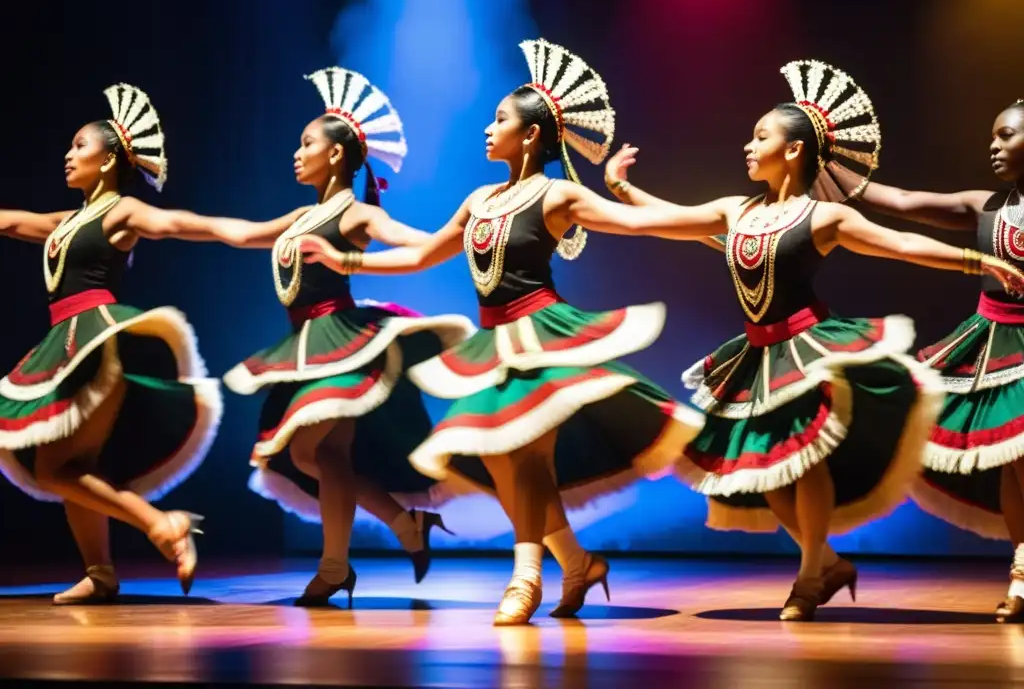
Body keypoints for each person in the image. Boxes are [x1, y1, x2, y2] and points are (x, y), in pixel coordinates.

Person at [599, 59, 1024, 620]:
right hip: (757, 356)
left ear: (793, 151)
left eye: (760, 137)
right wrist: (624, 191)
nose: (748, 147)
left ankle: (807, 580)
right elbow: (671, 221)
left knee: (804, 464)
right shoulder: (737, 212)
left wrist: (974, 261)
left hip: (805, 350)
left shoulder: (824, 217)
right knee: (768, 470)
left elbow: (899, 243)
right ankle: (824, 561)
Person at [299, 38, 705, 625]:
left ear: (532, 135)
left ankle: (526, 577)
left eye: (500, 121)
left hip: (542, 332)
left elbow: (640, 224)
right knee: (499, 460)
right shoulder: (480, 199)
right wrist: (347, 263)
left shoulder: (558, 193)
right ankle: (577, 561)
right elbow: (422, 256)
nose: (488, 130)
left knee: (528, 457)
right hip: (494, 341)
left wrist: (713, 216)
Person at [221, 67, 476, 607]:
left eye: (307, 142)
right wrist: (156, 220)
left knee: (326, 451)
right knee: (314, 458)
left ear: (336, 155)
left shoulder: (357, 214)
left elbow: (423, 246)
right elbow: (239, 233)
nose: (296, 151)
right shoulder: (300, 215)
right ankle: (406, 527)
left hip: (340, 338)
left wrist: (470, 229)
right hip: (304, 344)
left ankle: (335, 567)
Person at [0, 83, 220, 603]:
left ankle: (162, 526)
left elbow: (176, 223)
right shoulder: (66, 221)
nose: (67, 154)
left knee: (56, 467)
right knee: (73, 469)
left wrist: (260, 231)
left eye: (79, 146)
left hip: (95, 341)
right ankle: (101, 572)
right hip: (65, 341)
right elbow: (7, 221)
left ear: (107, 161)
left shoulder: (120, 211)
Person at [827, 97, 1024, 622]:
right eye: (993, 135)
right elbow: (902, 201)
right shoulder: (986, 206)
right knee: (1013, 460)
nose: (994, 145)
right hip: (997, 344)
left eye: (1006, 135)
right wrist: (831, 159)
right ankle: (1022, 574)